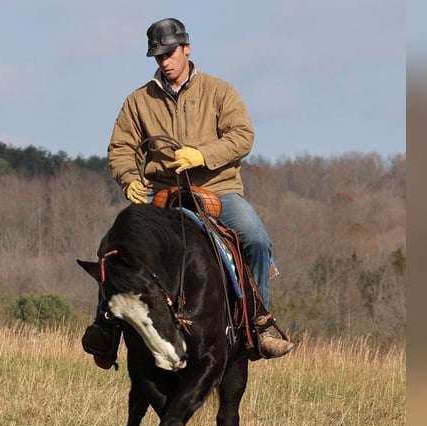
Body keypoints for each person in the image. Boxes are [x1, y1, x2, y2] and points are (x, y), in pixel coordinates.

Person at [82, 17, 293, 369]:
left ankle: (259, 323)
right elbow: (121, 147)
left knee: (256, 239)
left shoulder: (219, 91)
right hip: (161, 194)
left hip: (216, 190)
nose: (165, 61)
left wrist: (202, 155)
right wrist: (129, 178)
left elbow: (242, 136)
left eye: (170, 53)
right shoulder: (138, 101)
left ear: (187, 48)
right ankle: (105, 328)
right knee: (116, 245)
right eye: (158, 56)